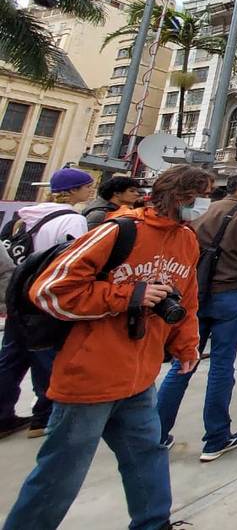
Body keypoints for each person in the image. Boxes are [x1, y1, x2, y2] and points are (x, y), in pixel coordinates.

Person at [2, 164, 211, 530]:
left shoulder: (187, 240)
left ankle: (153, 522)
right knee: (61, 472)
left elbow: (187, 300)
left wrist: (186, 344)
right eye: (202, 196)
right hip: (90, 377)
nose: (206, 204)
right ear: (181, 198)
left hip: (140, 376)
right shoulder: (119, 230)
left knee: (147, 454)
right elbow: (51, 290)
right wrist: (127, 296)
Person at [156, 168, 237, 461]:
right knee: (221, 365)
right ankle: (216, 437)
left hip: (196, 294)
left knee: (183, 363)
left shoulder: (200, 212)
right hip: (231, 295)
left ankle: (154, 433)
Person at [0, 167, 94, 440]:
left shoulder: (27, 215)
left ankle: (3, 414)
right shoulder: (73, 220)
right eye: (86, 186)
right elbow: (77, 260)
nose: (90, 191)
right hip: (47, 295)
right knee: (48, 355)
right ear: (73, 190)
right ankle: (45, 415)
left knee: (12, 356)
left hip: (18, 294)